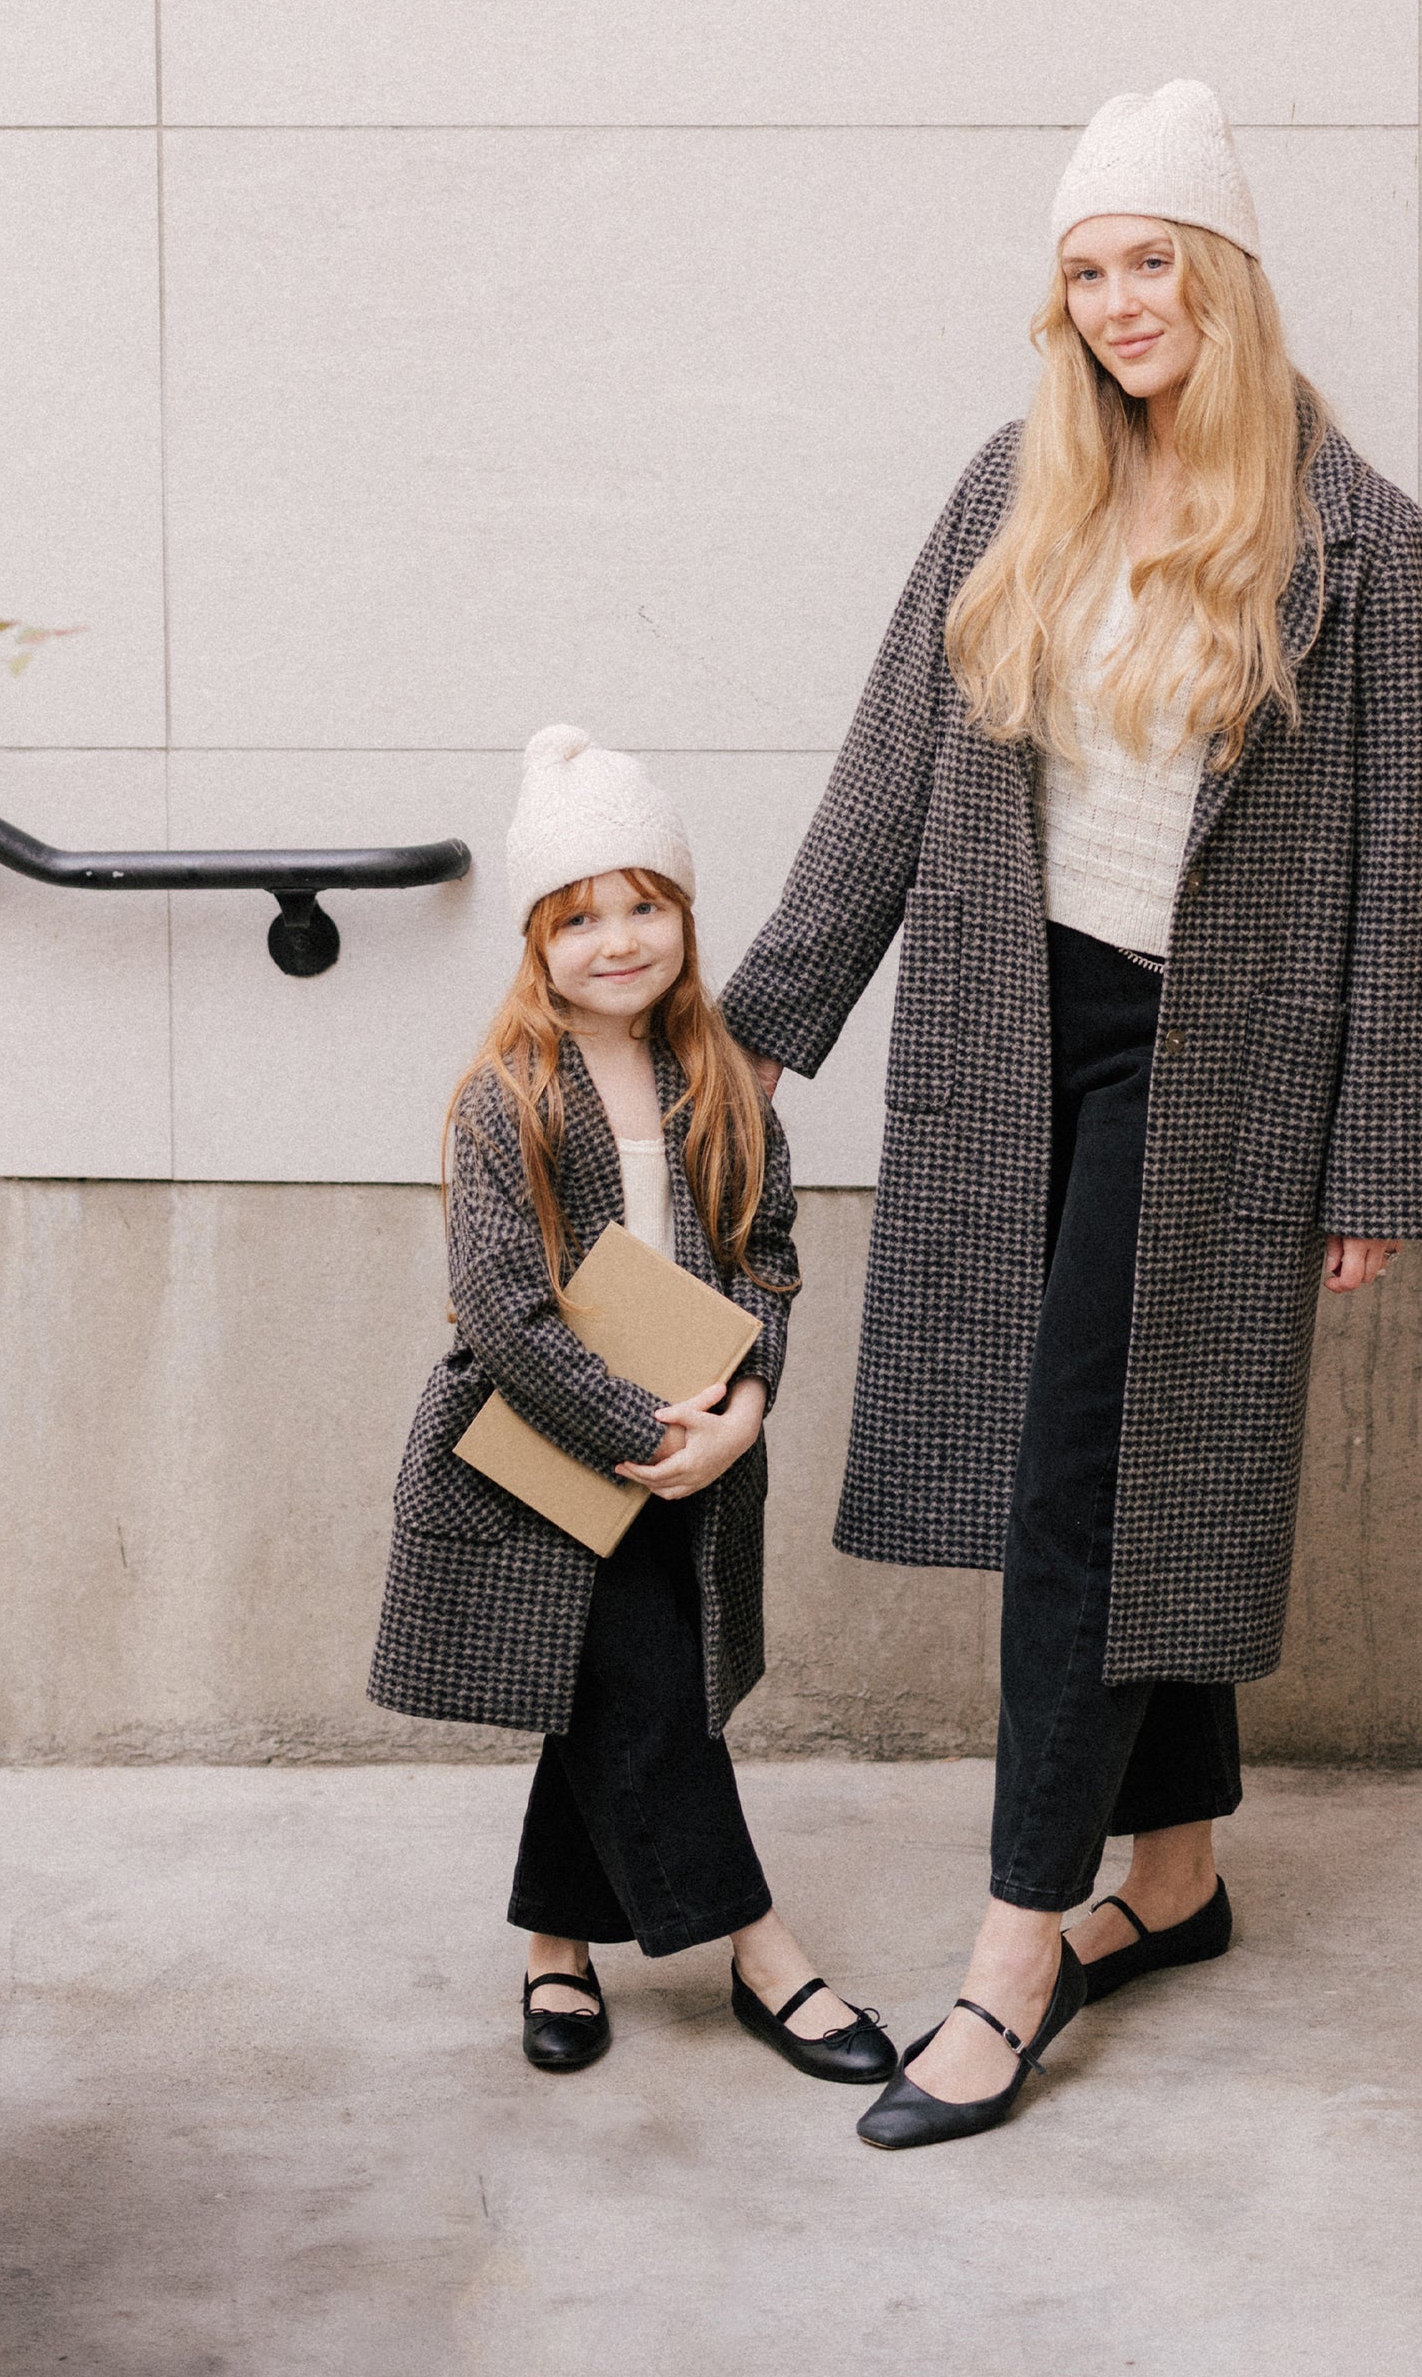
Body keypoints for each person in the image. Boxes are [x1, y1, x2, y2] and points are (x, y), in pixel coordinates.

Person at [725, 78, 1422, 2150]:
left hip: (1207, 1066)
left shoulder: (1366, 544)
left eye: (1152, 261)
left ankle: (1016, 1946)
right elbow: (889, 767)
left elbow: (1394, 870)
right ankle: (1180, 1873)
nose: (1120, 302)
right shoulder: (1013, 486)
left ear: (1223, 274)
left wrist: (1369, 1152)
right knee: (1142, 1464)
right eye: (1085, 272)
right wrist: (762, 1030)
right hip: (1007, 1026)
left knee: (1092, 1489)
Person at [369, 725, 893, 2087]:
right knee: (651, 1698)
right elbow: (502, 1308)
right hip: (545, 1453)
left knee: (608, 1687)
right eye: (579, 917)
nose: (617, 941)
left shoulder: (725, 1082)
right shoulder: (506, 1098)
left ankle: (555, 1941)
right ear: (536, 942)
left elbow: (768, 1258)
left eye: (644, 906)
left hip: (696, 1451)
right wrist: (641, 1430)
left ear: (685, 917)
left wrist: (747, 1405)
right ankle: (765, 1954)